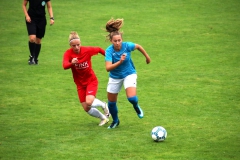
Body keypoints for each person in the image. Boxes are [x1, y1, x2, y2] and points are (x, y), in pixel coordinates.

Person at [104, 18, 151, 129]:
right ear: (111, 41)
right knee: (111, 103)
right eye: (115, 41)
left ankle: (136, 106)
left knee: (131, 98)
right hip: (115, 76)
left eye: (119, 40)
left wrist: (147, 57)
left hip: (129, 73)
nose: (117, 43)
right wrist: (120, 61)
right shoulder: (109, 51)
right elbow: (108, 68)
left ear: (122, 39)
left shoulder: (127, 46)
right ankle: (115, 121)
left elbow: (138, 46)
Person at [63, 31, 110, 126]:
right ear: (70, 46)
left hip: (91, 80)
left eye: (78, 45)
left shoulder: (87, 50)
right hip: (79, 84)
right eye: (73, 46)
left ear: (80, 43)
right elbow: (64, 65)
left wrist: (109, 58)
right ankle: (103, 118)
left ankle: (103, 104)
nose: (76, 47)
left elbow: (99, 49)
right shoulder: (68, 54)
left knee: (89, 102)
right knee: (86, 108)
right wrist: (71, 63)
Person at [22, 0, 54, 65]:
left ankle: (35, 59)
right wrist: (27, 16)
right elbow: (24, 5)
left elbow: (49, 6)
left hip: (41, 20)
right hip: (31, 19)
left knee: (38, 40)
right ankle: (31, 56)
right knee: (32, 38)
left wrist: (51, 18)